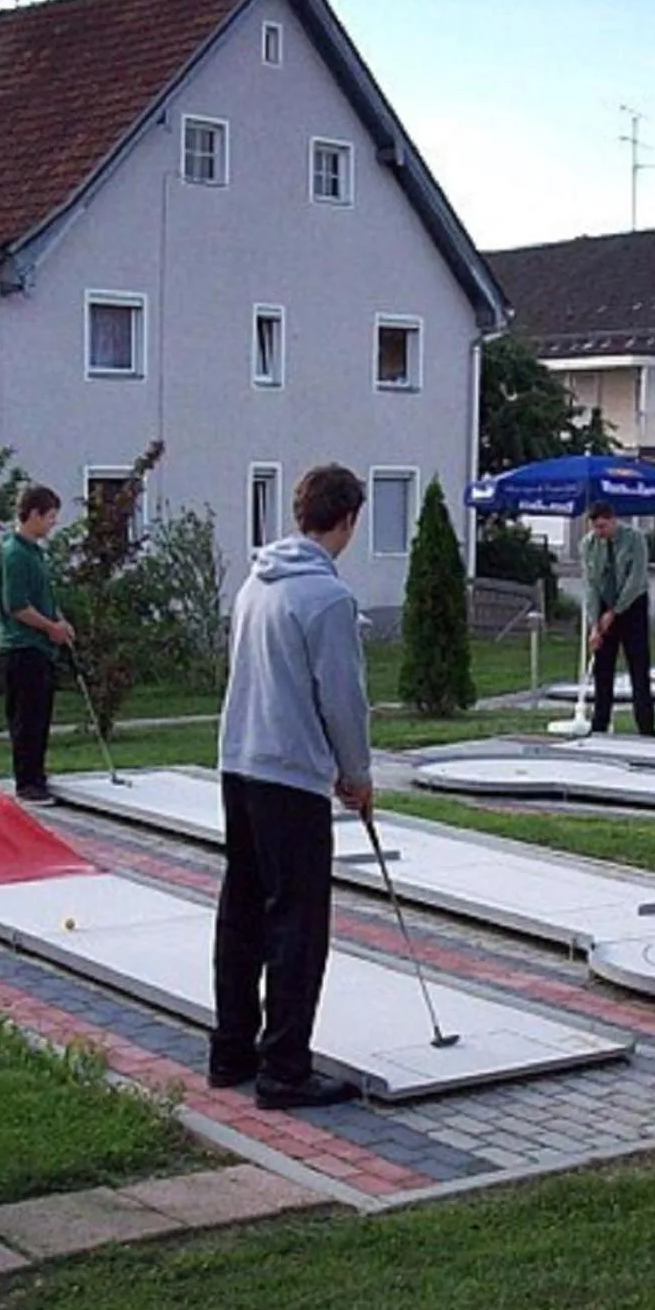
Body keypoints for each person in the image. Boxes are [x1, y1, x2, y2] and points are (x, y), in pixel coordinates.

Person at [209, 463, 373, 1111]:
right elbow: (342, 699)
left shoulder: (257, 582)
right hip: (290, 775)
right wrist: (356, 775)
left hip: (240, 762)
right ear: (348, 520)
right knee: (297, 924)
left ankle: (230, 1050)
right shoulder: (328, 599)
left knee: (242, 911)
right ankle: (284, 1068)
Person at [0, 482, 74, 804]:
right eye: (50, 516)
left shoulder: (36, 553)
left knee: (40, 716)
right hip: (22, 646)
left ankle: (37, 774)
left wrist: (60, 621)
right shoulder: (14, 553)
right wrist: (49, 628)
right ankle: (27, 782)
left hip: (41, 647)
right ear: (34, 514)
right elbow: (16, 605)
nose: (53, 523)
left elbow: (44, 597)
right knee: (26, 718)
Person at [580, 502, 655, 736]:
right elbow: (591, 585)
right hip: (605, 602)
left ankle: (646, 727)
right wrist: (595, 625)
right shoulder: (588, 545)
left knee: (638, 666)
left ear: (613, 520)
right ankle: (600, 725)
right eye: (595, 528)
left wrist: (615, 612)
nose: (599, 532)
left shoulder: (634, 539)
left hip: (633, 604)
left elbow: (636, 579)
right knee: (603, 667)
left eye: (603, 527)